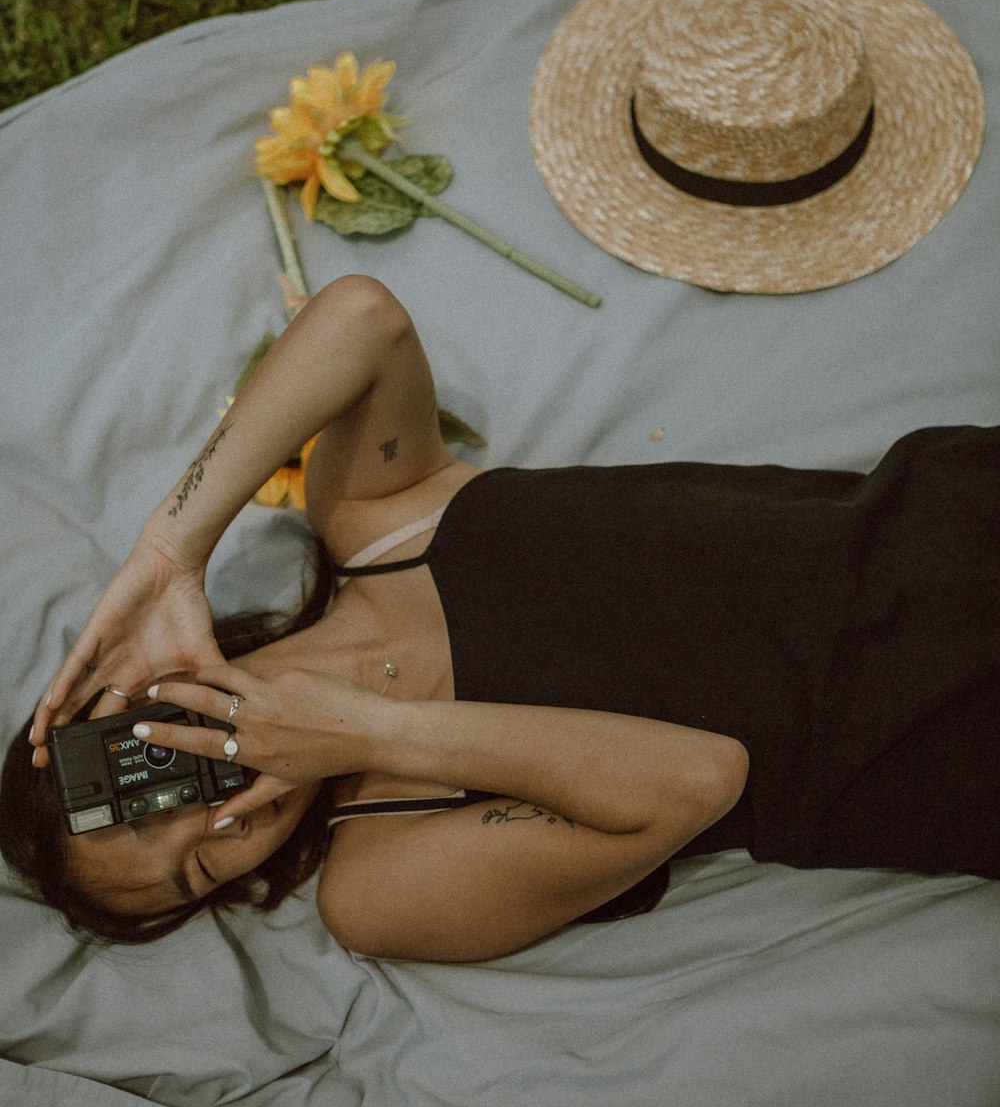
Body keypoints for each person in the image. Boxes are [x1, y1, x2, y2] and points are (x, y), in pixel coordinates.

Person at [3, 275, 998, 962]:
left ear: (122, 705)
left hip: (949, 518)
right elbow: (699, 778)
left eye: (152, 794)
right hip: (939, 744)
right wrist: (364, 731)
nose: (222, 822)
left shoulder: (381, 520)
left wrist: (170, 551)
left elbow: (362, 317)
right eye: (203, 871)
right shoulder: (378, 883)